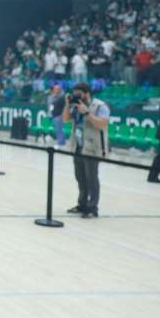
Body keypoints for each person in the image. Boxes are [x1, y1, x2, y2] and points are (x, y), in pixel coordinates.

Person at [62, 82, 110, 218]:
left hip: (92, 147)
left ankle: (92, 207)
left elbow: (103, 124)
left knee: (91, 178)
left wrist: (87, 113)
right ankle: (82, 204)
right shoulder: (75, 106)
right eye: (74, 93)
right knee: (80, 177)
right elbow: (65, 119)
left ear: (87, 93)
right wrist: (67, 104)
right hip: (78, 145)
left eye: (79, 94)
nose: (76, 96)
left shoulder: (100, 106)